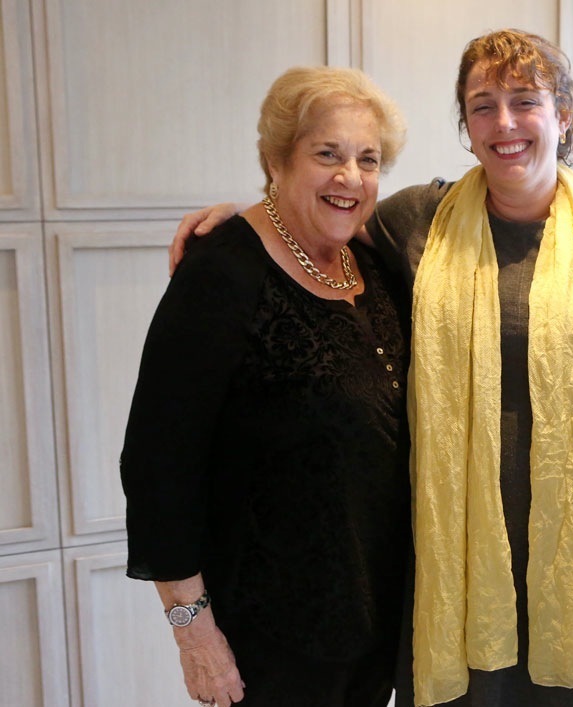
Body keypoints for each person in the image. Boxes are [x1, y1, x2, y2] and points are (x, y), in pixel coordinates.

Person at [171, 29, 573, 707]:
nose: (504, 123)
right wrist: (244, 217)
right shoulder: (421, 219)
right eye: (483, 105)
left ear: (564, 116)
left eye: (525, 101)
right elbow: (324, 217)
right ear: (466, 127)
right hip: (458, 564)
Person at [121, 66, 411, 707]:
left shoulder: (378, 266)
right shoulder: (222, 274)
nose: (350, 177)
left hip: (377, 632)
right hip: (269, 646)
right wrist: (193, 636)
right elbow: (157, 464)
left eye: (368, 159)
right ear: (275, 161)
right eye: (326, 154)